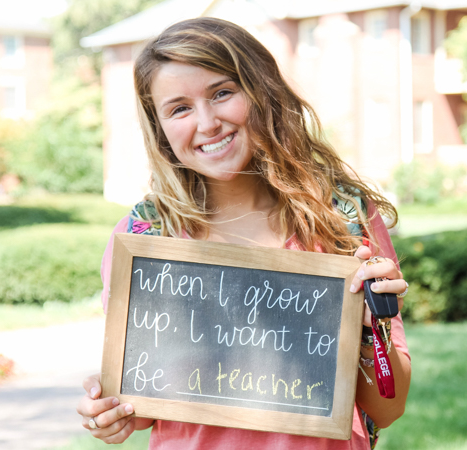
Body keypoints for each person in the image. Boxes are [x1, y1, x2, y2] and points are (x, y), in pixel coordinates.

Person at [76, 17, 411, 450]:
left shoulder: (343, 221)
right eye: (179, 108)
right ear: (159, 129)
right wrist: (110, 415)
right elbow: (142, 402)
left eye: (222, 93)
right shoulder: (146, 237)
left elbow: (388, 408)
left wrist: (370, 333)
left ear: (261, 91)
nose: (208, 122)